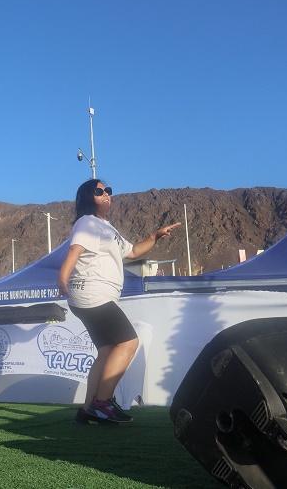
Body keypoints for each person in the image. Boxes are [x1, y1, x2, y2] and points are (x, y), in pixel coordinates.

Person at [58, 178, 180, 425]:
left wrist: (155, 236)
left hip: (91, 297)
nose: (107, 194)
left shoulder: (107, 228)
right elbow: (74, 250)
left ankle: (87, 410)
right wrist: (62, 278)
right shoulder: (87, 222)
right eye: (99, 191)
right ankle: (102, 403)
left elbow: (132, 252)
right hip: (93, 293)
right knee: (129, 342)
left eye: (108, 191)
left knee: (106, 351)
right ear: (87, 197)